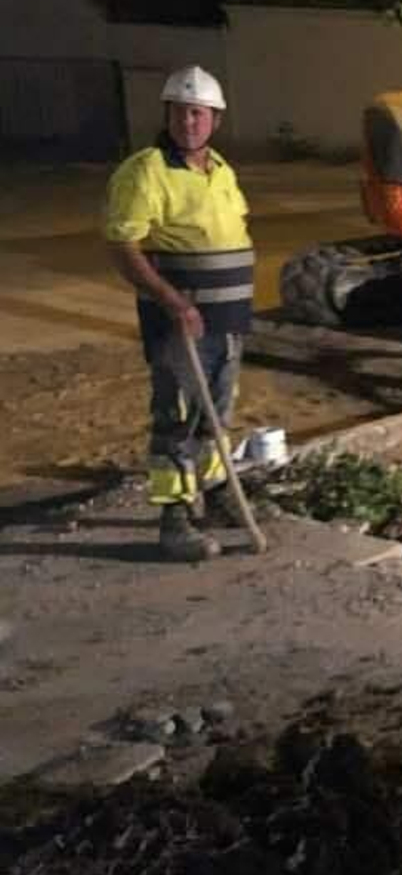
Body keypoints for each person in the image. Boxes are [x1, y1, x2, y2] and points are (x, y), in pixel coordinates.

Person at [105, 66, 254, 562]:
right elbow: (124, 245)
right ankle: (175, 519)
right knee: (178, 417)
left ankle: (215, 494)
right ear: (167, 115)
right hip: (182, 322)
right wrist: (173, 301)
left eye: (198, 113)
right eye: (180, 113)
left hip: (228, 320)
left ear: (215, 119)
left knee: (217, 414)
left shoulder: (221, 169)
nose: (189, 122)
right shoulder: (146, 170)